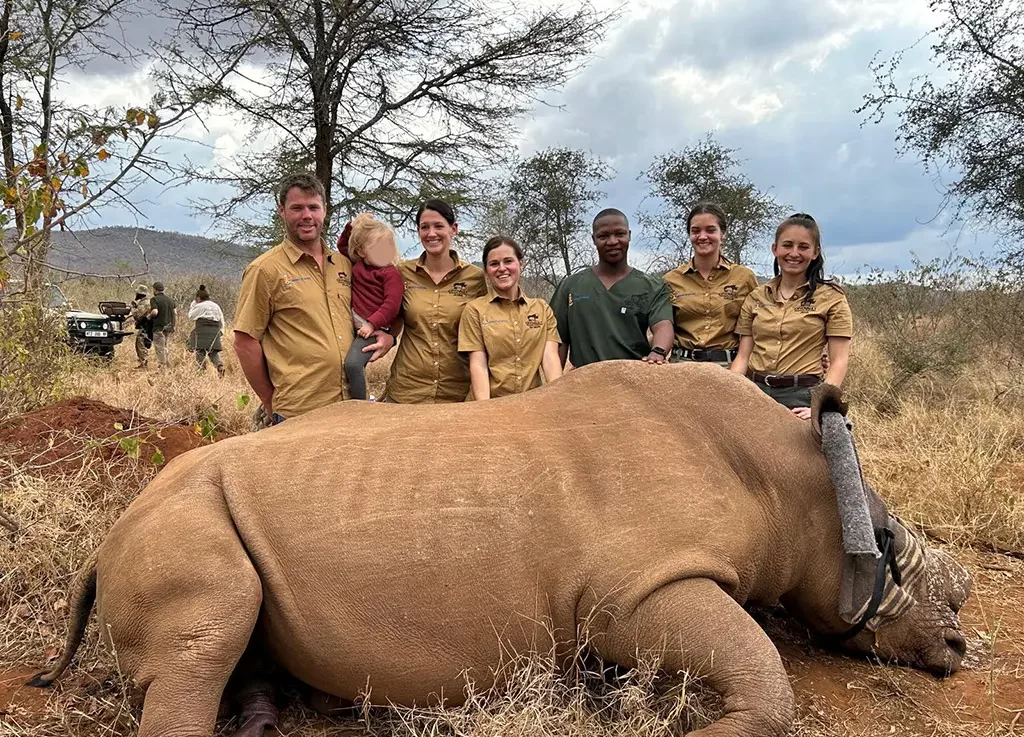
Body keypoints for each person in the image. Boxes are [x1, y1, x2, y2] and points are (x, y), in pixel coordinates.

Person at [233, 173, 395, 427]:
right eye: (297, 208)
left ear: (325, 210)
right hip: (300, 411)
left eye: (313, 207)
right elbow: (245, 341)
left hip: (350, 406)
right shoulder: (265, 270)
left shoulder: (343, 264)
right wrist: (269, 400)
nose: (307, 216)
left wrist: (389, 337)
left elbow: (380, 300)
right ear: (281, 211)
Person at [730, 213, 853, 420]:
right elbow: (743, 357)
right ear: (775, 249)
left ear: (815, 252)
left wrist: (820, 405)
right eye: (787, 245)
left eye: (803, 247)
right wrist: (728, 392)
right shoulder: (756, 297)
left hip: (803, 397)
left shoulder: (832, 298)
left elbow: (839, 361)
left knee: (837, 435)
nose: (794, 253)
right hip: (754, 392)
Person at [383, 199, 486, 403]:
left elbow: (483, 334)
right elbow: (393, 317)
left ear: (453, 229)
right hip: (407, 392)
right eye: (424, 227)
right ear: (418, 231)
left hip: (456, 394)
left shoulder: (474, 278)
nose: (431, 233)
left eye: (439, 226)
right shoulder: (402, 273)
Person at [550, 208, 674, 368]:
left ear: (629, 235)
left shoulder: (652, 286)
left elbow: (663, 325)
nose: (612, 241)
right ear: (594, 239)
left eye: (619, 234)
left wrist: (658, 352)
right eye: (603, 236)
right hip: (584, 378)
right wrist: (556, 379)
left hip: (634, 376)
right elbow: (558, 339)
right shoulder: (571, 285)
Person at [458, 236, 562, 400]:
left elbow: (550, 359)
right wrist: (485, 408)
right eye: (494, 264)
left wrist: (557, 399)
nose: (502, 268)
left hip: (534, 402)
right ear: (486, 270)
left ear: (521, 263)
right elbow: (478, 365)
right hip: (494, 403)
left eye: (508, 261)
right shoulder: (475, 310)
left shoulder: (542, 309)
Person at [663, 202, 758, 365]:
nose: (702, 236)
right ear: (689, 235)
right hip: (681, 367)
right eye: (695, 231)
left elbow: (756, 327)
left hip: (728, 368)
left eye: (710, 230)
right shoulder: (671, 280)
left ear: (723, 234)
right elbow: (661, 327)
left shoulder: (744, 277)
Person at [336, 214, 404, 400]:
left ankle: (361, 404)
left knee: (353, 364)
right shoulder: (358, 266)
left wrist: (372, 324)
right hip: (356, 326)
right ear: (361, 251)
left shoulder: (390, 274)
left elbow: (392, 305)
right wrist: (351, 227)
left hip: (373, 329)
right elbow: (343, 247)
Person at [187, 285, 225, 377]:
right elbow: (222, 320)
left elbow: (191, 316)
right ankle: (219, 366)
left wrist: (193, 304)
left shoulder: (199, 306)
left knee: (200, 351)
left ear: (198, 298)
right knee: (213, 352)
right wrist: (221, 332)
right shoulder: (216, 306)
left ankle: (201, 372)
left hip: (202, 331)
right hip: (215, 331)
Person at [148, 281, 176, 369]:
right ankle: (169, 369)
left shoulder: (154, 299)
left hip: (159, 328)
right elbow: (175, 312)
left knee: (160, 349)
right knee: (167, 349)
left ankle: (162, 369)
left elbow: (155, 312)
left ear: (155, 290)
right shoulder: (170, 300)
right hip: (169, 328)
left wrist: (149, 317)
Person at [129, 284, 153, 369]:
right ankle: (143, 363)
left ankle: (144, 363)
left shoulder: (144, 304)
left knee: (141, 344)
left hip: (145, 327)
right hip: (147, 326)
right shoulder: (147, 302)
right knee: (141, 343)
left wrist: (132, 308)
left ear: (140, 294)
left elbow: (137, 316)